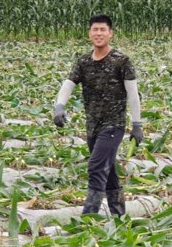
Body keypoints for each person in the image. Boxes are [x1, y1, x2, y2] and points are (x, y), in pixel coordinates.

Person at [52, 14, 143, 216]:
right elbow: (68, 84)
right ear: (89, 33)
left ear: (110, 33)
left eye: (103, 30)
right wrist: (59, 106)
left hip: (113, 125)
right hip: (92, 126)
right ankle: (119, 216)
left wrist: (137, 124)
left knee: (96, 168)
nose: (99, 33)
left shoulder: (122, 61)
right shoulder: (83, 61)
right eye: (95, 29)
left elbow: (133, 94)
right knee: (108, 172)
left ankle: (88, 219)